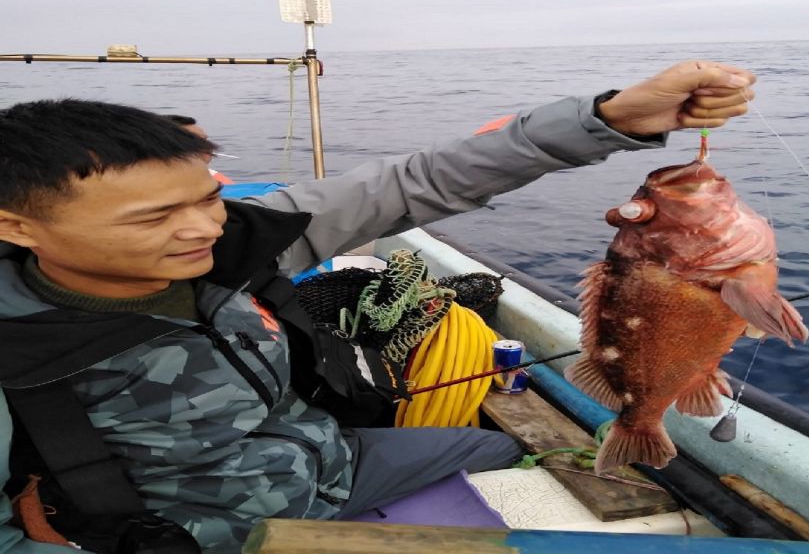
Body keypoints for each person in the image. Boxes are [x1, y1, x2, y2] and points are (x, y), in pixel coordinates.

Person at [0, 60, 755, 553]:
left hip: (332, 464)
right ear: (16, 225)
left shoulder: (239, 240)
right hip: (187, 535)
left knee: (503, 448)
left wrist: (613, 117)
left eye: (207, 198)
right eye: (151, 218)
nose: (201, 228)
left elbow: (419, 180)